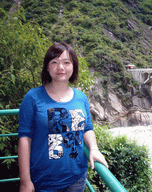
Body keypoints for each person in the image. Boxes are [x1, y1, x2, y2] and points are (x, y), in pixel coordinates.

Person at [18, 42, 108, 192]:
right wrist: (25, 181)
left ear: (73, 67)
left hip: (77, 178)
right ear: (47, 67)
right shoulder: (33, 97)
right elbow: (24, 139)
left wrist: (94, 148)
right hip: (43, 180)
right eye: (54, 62)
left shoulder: (81, 97)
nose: (61, 67)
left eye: (66, 62)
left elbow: (87, 128)